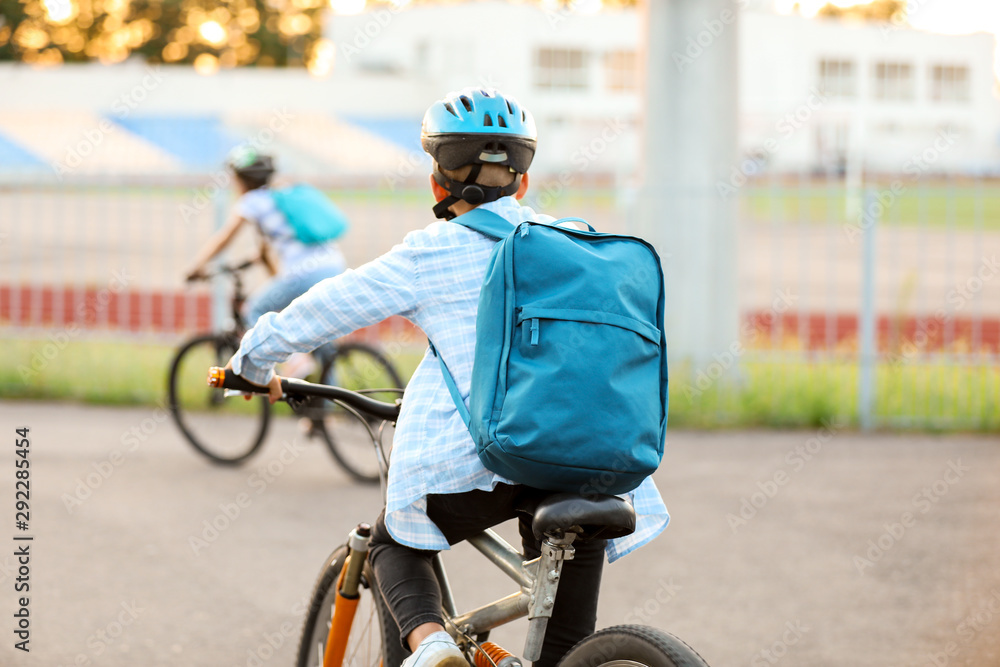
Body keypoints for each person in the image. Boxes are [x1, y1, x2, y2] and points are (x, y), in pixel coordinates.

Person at [226, 88, 669, 667]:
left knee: (393, 540)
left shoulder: (431, 253)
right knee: (561, 656)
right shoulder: (580, 242)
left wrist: (249, 365)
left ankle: (431, 645)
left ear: (437, 183)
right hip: (599, 468)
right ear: (524, 184)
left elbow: (319, 311)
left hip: (488, 462)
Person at [185, 146, 348, 332]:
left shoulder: (252, 201)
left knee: (253, 312)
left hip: (303, 273)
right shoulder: (278, 197)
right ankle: (326, 358)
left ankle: (295, 362)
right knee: (311, 323)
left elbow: (224, 238)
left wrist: (196, 266)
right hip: (333, 264)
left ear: (242, 180)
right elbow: (265, 254)